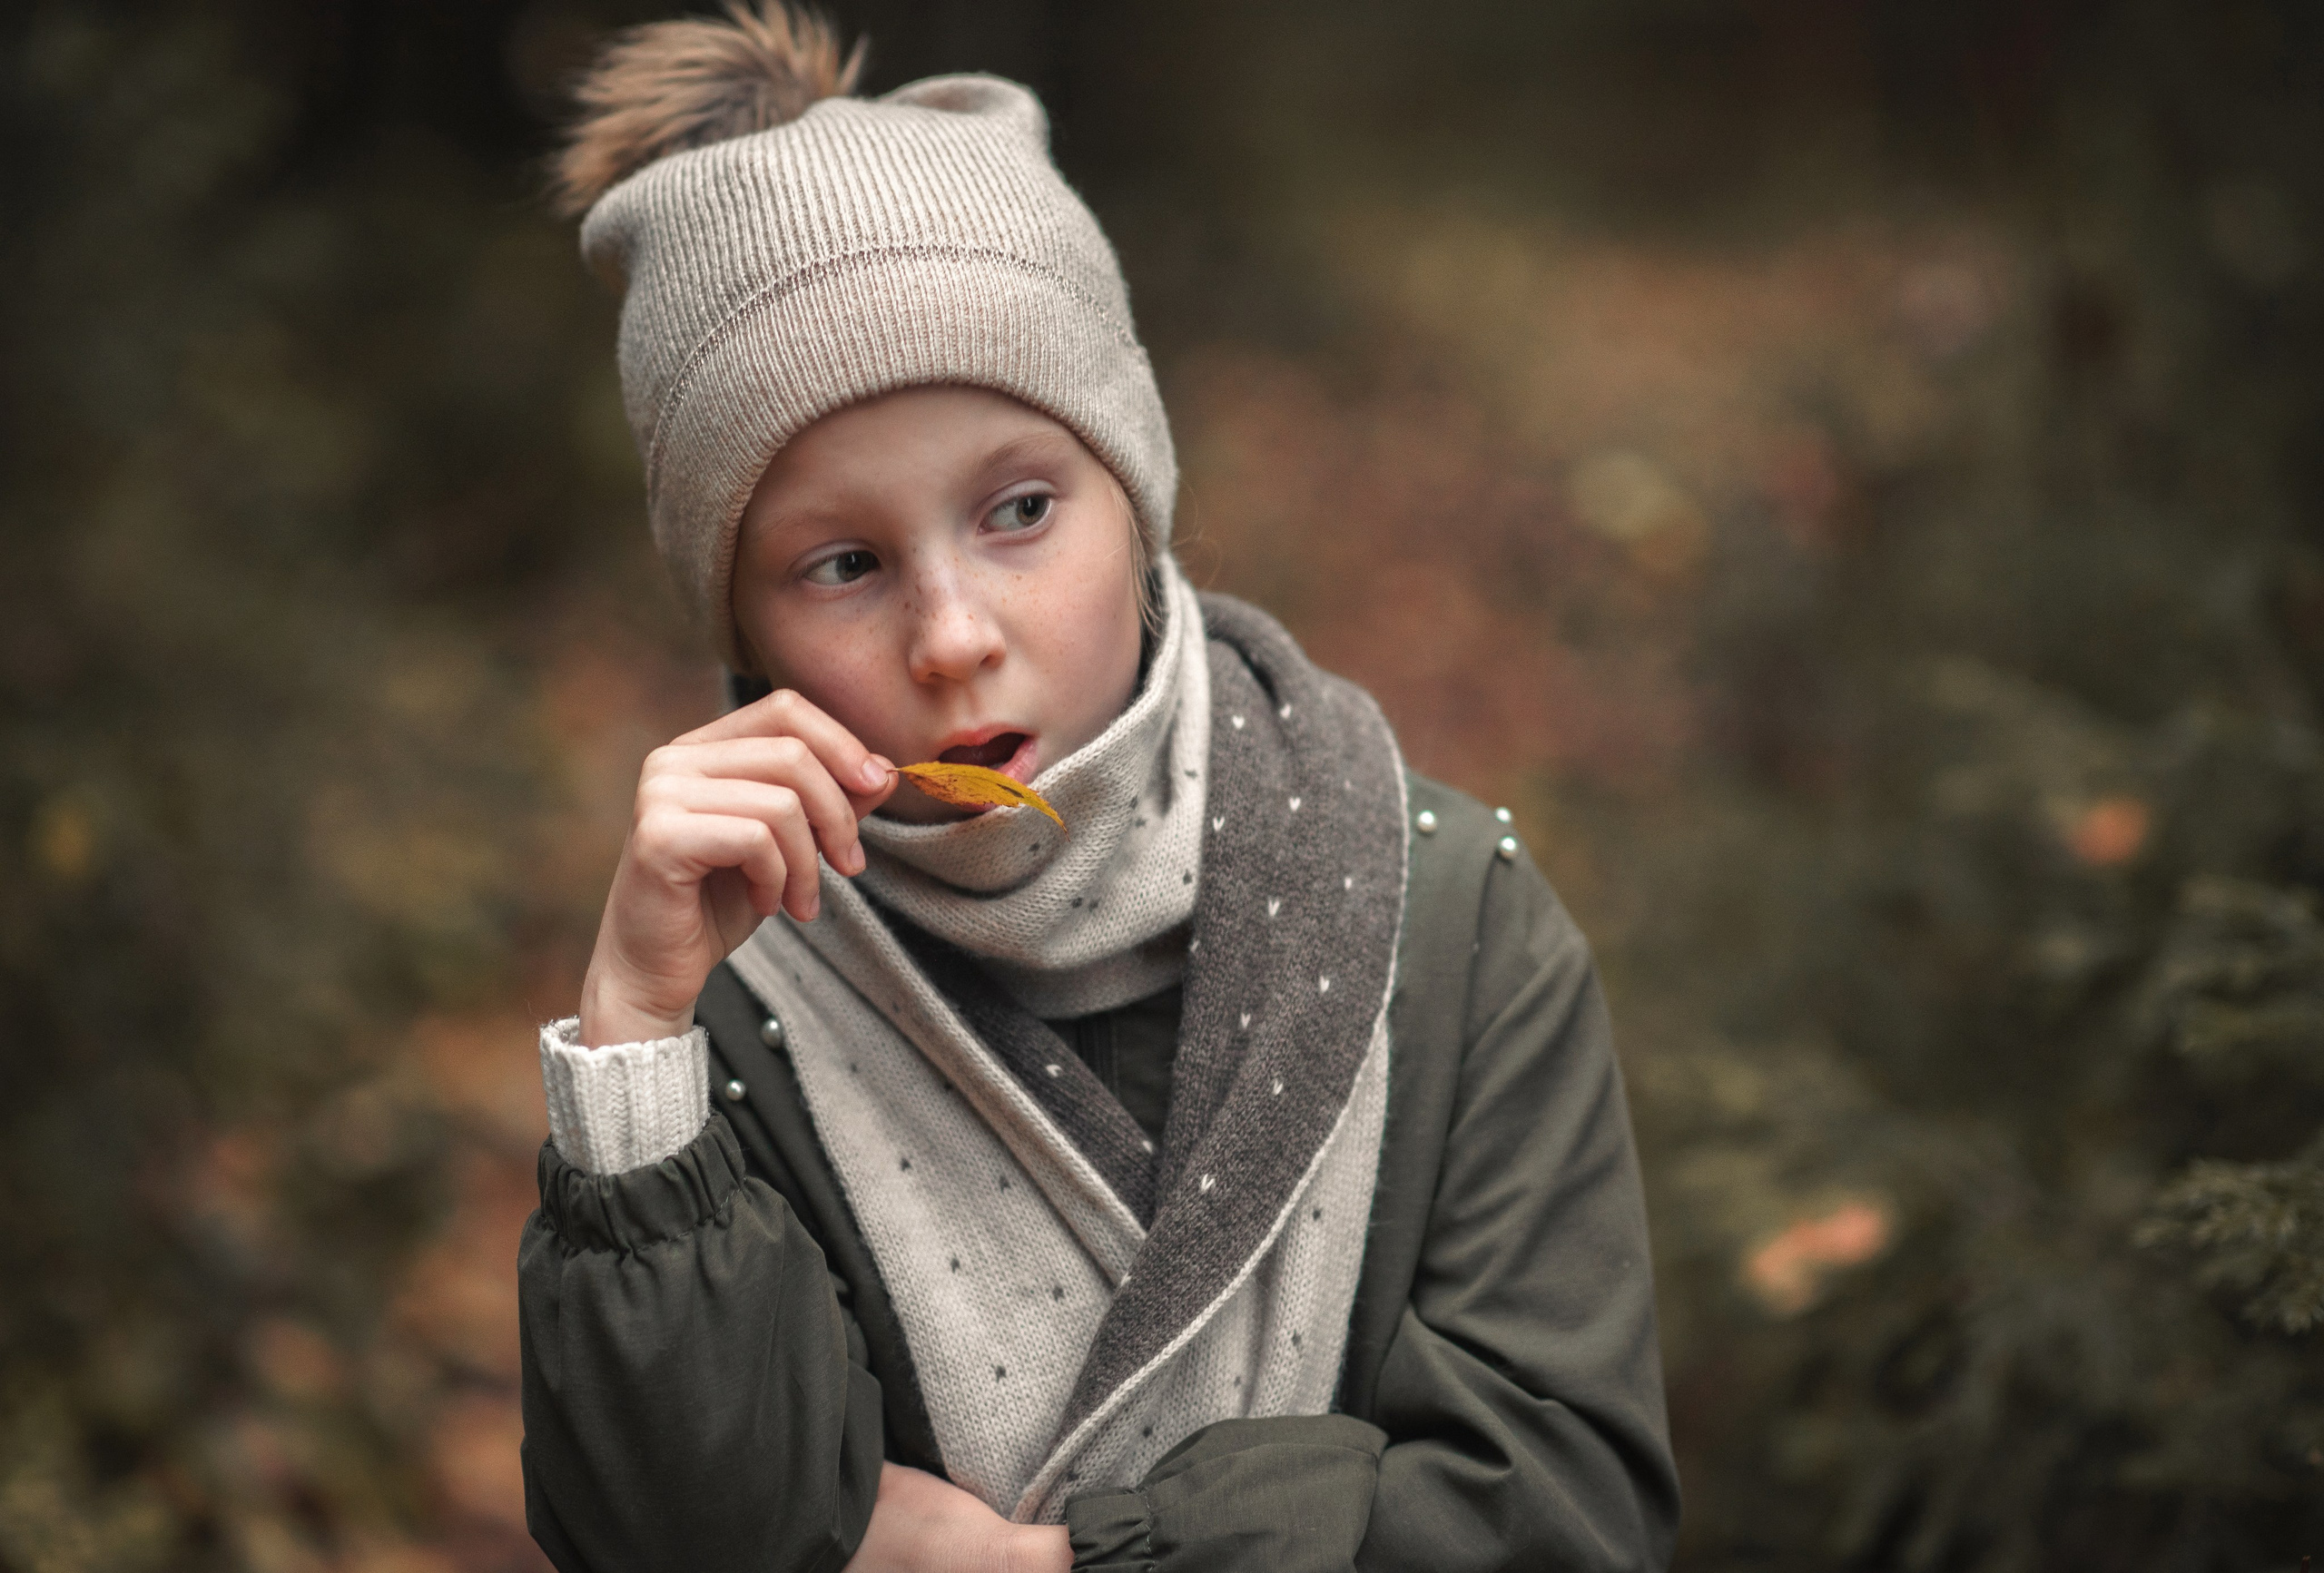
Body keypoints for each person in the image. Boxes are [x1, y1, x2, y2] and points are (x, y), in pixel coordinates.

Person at [517, 5, 1680, 1569]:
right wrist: (635, 1048)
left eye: (1018, 510)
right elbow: (687, 1541)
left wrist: (1052, 1562)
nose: (950, 638)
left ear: (1136, 503)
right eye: (843, 563)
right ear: (742, 627)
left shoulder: (1453, 924)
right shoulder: (733, 1003)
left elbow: (1565, 1516)